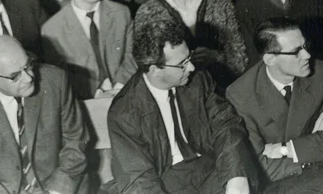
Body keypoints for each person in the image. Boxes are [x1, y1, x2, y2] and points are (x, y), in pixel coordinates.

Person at [107, 13, 259, 194]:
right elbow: (138, 178)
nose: (192, 68)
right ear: (155, 70)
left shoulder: (198, 80)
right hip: (164, 178)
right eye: (182, 64)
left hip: (208, 166)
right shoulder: (124, 112)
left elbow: (226, 125)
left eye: (190, 58)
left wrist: (236, 177)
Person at [226, 18, 323, 193]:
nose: (307, 55)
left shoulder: (322, 73)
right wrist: (309, 152)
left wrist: (285, 149)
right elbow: (254, 164)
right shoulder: (241, 94)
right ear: (270, 59)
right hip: (277, 182)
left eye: (305, 46)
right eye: (296, 51)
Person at [0, 35, 89, 193]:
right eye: (15, 76)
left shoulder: (55, 82)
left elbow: (76, 141)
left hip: (58, 184)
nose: (28, 77)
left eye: (28, 65)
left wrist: (55, 190)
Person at [41, 0, 136, 99]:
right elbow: (62, 76)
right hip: (86, 100)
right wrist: (98, 93)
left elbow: (132, 55)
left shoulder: (121, 13)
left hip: (125, 92)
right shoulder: (52, 30)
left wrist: (119, 87)